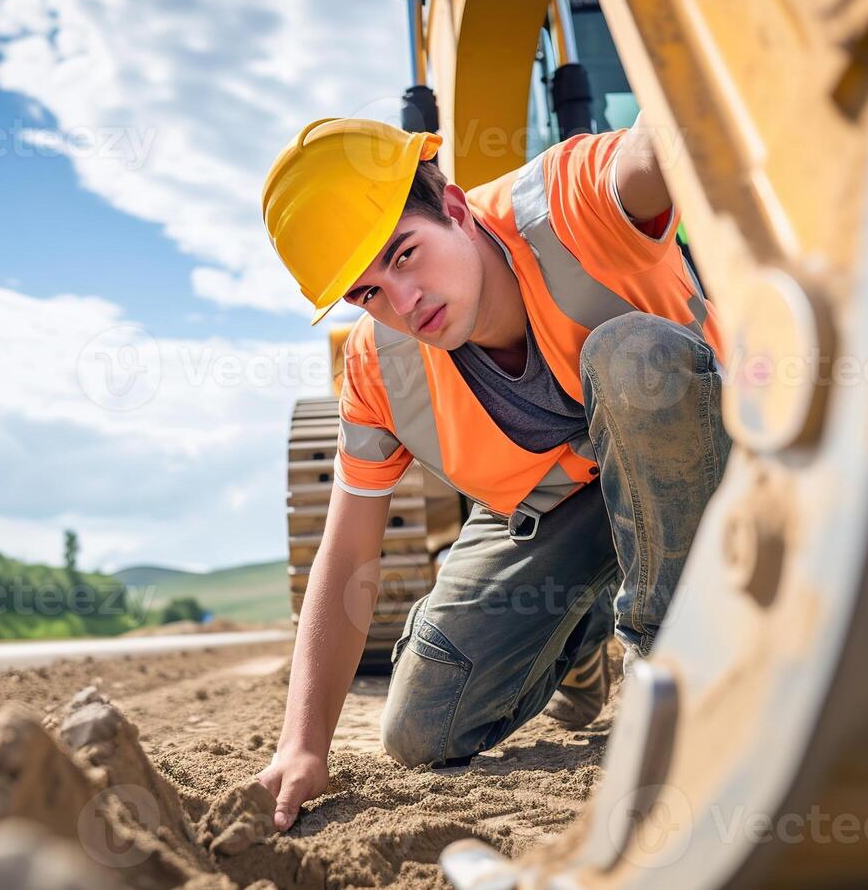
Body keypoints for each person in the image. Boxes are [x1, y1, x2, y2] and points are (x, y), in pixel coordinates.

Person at [254, 116, 731, 832]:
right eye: (368, 293)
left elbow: (656, 144)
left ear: (452, 207)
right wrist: (301, 747)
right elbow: (348, 552)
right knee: (419, 731)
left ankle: (673, 677)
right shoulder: (376, 367)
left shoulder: (569, 200)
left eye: (404, 254)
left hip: (703, 459)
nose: (403, 302)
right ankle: (581, 636)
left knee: (631, 357)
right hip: (557, 514)